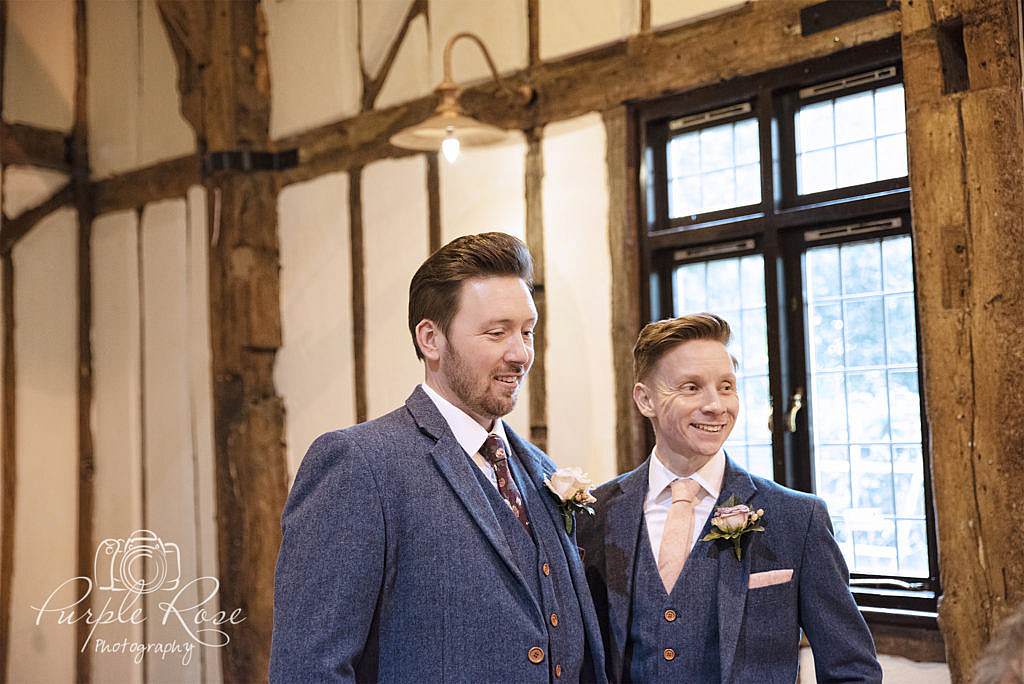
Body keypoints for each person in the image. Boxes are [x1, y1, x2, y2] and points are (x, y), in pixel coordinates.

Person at [270, 232, 606, 683]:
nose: (520, 354)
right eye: (496, 333)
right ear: (431, 338)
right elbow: (310, 669)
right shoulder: (359, 464)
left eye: (527, 332)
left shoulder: (540, 470)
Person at [576, 313, 882, 683]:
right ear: (645, 400)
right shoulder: (594, 513)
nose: (716, 406)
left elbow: (852, 668)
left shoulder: (798, 519)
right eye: (691, 388)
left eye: (726, 387)